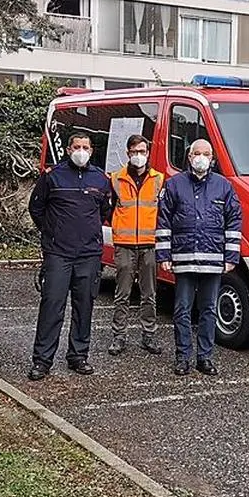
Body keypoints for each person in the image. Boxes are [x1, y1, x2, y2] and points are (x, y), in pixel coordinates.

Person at [27, 132, 113, 381]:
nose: (81, 150)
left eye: (85, 147)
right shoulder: (52, 176)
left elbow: (104, 212)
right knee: (52, 306)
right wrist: (53, 232)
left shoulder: (100, 179)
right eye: (77, 146)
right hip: (58, 254)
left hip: (88, 254)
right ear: (67, 149)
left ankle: (78, 356)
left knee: (84, 306)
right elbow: (37, 208)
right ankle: (42, 361)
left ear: (91, 151)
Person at [155, 139, 242, 376]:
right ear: (189, 156)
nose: (201, 158)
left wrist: (231, 256)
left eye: (206, 154)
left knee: (209, 311)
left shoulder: (223, 186)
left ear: (212, 158)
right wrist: (164, 255)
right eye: (197, 153)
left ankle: (205, 357)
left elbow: (234, 221)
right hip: (183, 260)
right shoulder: (174, 185)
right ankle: (182, 357)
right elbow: (163, 221)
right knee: (182, 310)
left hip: (213, 261)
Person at [107, 134, 165, 357]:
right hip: (124, 244)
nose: (138, 156)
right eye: (134, 152)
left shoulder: (158, 179)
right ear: (128, 154)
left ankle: (148, 335)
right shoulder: (116, 179)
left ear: (148, 153)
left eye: (142, 151)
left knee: (148, 293)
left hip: (149, 244)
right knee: (122, 293)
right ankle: (118, 336)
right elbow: (108, 208)